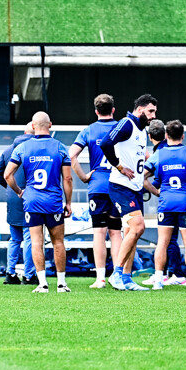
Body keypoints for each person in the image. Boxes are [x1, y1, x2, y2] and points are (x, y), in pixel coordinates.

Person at [4, 112, 73, 294]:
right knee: (58, 242)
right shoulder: (60, 147)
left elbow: (6, 175)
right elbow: (67, 178)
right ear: (50, 124)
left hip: (32, 201)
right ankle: (61, 283)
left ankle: (42, 284)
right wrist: (69, 203)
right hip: (53, 201)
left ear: (33, 127)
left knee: (36, 242)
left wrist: (19, 191)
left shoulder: (22, 148)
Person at [99, 93, 159, 291]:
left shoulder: (141, 130)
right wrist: (119, 166)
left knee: (131, 231)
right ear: (140, 109)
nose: (153, 116)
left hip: (134, 188)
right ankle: (116, 273)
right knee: (138, 227)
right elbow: (105, 143)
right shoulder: (126, 124)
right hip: (120, 186)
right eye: (150, 111)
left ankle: (126, 277)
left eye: (155, 112)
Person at [144, 120, 186, 290]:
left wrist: (156, 191)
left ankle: (158, 281)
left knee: (162, 242)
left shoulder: (159, 154)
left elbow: (141, 177)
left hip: (166, 203)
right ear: (183, 136)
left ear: (166, 135)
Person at [69, 94, 122, 289]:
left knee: (99, 232)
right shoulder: (122, 128)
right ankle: (118, 276)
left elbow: (71, 155)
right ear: (113, 110)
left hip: (97, 185)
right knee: (116, 232)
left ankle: (100, 278)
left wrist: (83, 176)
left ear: (96, 111)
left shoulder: (89, 130)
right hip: (118, 185)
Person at [0, 122, 37, 285]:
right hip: (30, 196)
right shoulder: (34, 149)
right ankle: (28, 274)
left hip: (12, 197)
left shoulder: (7, 150)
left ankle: (10, 273)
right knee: (29, 237)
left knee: (14, 238)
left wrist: (11, 187)